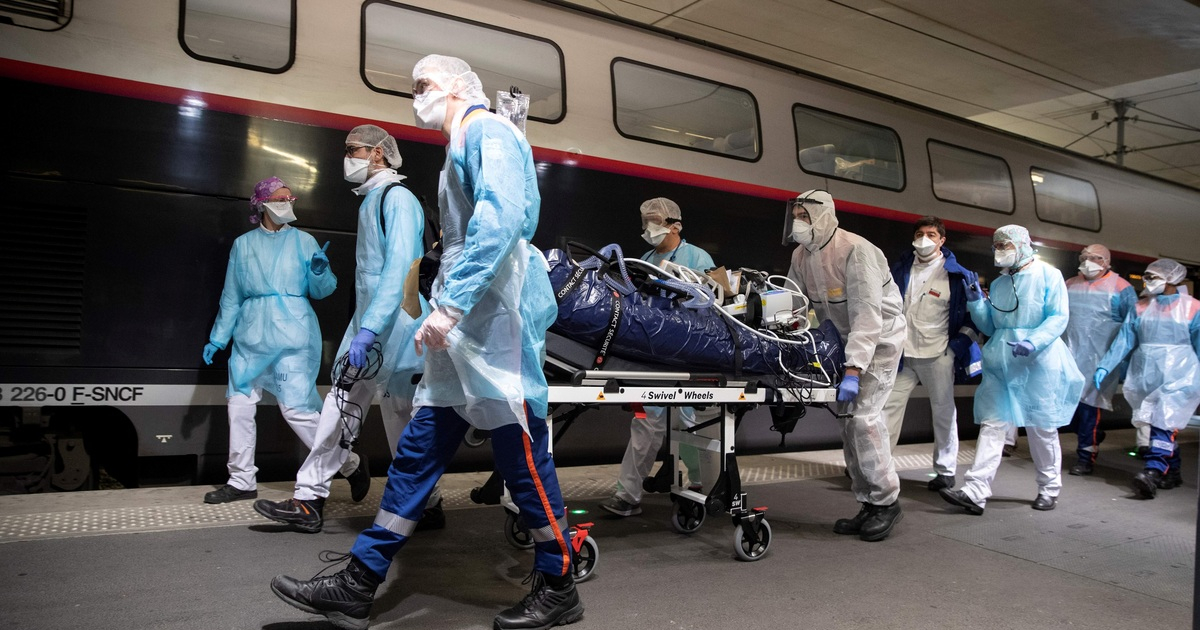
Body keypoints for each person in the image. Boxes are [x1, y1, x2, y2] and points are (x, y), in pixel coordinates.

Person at [270, 55, 582, 630]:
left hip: (491, 317)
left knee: (521, 455)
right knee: (418, 448)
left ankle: (559, 582)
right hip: (463, 318)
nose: (417, 96)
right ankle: (360, 580)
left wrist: (456, 302)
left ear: (460, 87)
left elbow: (503, 218)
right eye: (412, 87)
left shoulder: (486, 131)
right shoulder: (465, 142)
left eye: (425, 85)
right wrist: (447, 307)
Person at [253, 125, 435, 533]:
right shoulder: (373, 201)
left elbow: (400, 270)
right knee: (341, 405)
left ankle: (428, 502)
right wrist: (364, 327)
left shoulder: (398, 199)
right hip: (375, 324)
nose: (347, 157)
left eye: (354, 150)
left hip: (398, 326)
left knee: (400, 419)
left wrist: (368, 329)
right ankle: (308, 499)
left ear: (377, 155)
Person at [201, 177, 337, 504]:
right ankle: (241, 479)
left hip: (293, 335)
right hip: (251, 336)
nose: (286, 203)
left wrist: (319, 272)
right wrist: (218, 338)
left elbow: (324, 290)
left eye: (290, 198)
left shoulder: (305, 242)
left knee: (297, 409)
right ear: (261, 203)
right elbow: (231, 297)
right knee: (240, 405)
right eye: (279, 198)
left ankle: (346, 460)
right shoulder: (243, 245)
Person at [785, 189, 905, 542]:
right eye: (796, 216)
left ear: (823, 216)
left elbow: (868, 315)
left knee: (865, 420)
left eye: (804, 216)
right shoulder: (801, 255)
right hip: (842, 342)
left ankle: (887, 502)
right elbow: (794, 302)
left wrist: (853, 369)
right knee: (848, 425)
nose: (798, 223)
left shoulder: (857, 250)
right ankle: (867, 501)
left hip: (879, 342)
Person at [940, 225, 1083, 515]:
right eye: (996, 245)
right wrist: (977, 302)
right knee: (993, 424)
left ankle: (1049, 488)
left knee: (1041, 427)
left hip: (1038, 363)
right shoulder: (1000, 283)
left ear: (1022, 245)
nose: (999, 250)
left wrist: (1034, 341)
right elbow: (992, 327)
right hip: (1002, 361)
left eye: (1004, 244)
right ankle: (975, 491)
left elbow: (1058, 317)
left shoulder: (1048, 275)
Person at [599, 197, 717, 517]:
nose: (647, 228)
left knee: (688, 422)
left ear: (674, 225)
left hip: (691, 352)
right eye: (645, 221)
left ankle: (699, 486)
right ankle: (627, 495)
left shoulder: (697, 257)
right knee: (646, 422)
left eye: (654, 221)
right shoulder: (646, 259)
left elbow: (712, 302)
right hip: (655, 354)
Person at [882, 216, 979, 491]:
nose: (925, 239)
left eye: (932, 234)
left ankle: (945, 471)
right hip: (902, 354)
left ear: (942, 240)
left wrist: (955, 349)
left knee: (944, 412)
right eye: (920, 233)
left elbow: (971, 319)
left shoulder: (958, 275)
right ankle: (878, 467)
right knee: (887, 410)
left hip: (937, 354)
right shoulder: (899, 269)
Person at [1094, 259, 1200, 498]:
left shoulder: (1193, 308)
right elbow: (1124, 340)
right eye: (1147, 277)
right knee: (1157, 423)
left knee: (1164, 422)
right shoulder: (1141, 307)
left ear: (1172, 279)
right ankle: (1172, 472)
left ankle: (1152, 472)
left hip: (1181, 374)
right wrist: (1105, 366)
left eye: (1153, 277)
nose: (1147, 281)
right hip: (1146, 373)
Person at [1063, 244, 1137, 476]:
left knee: (1088, 410)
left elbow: (1131, 328)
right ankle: (1094, 434)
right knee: (1068, 410)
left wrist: (1119, 362)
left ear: (1106, 261)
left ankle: (1085, 457)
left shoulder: (1121, 288)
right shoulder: (1069, 284)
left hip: (1101, 360)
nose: (1087, 261)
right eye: (1084, 257)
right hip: (1069, 357)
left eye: (1094, 258)